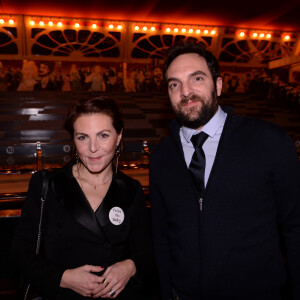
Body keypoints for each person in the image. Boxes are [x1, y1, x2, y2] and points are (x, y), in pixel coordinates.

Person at [149, 41, 300, 300]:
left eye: (196, 78)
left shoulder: (268, 140)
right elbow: (161, 238)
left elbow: (296, 226)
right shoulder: (161, 156)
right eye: (174, 84)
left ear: (218, 85)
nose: (186, 92)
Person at [13, 97, 153, 299]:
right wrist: (64, 277)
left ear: (119, 136)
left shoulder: (131, 189)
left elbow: (147, 253)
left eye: (103, 135)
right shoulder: (47, 185)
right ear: (73, 140)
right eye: (82, 137)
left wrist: (130, 266)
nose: (93, 148)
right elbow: (20, 254)